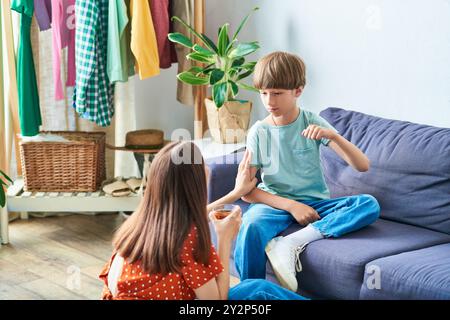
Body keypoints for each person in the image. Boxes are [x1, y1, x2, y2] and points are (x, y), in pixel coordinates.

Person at [235, 51, 381, 292]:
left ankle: (292, 243)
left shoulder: (312, 123)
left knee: (368, 205)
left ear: (298, 91)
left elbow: (362, 165)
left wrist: (332, 136)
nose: (270, 101)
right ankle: (250, 292)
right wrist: (292, 206)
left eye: (278, 93)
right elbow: (247, 193)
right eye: (264, 93)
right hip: (275, 204)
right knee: (252, 224)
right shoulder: (259, 132)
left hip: (315, 203)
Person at [99, 141, 306, 300]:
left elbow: (187, 217)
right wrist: (224, 238)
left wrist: (234, 194)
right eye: (203, 166)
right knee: (259, 291)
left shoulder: (141, 222)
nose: (207, 169)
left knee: (253, 288)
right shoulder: (188, 239)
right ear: (194, 184)